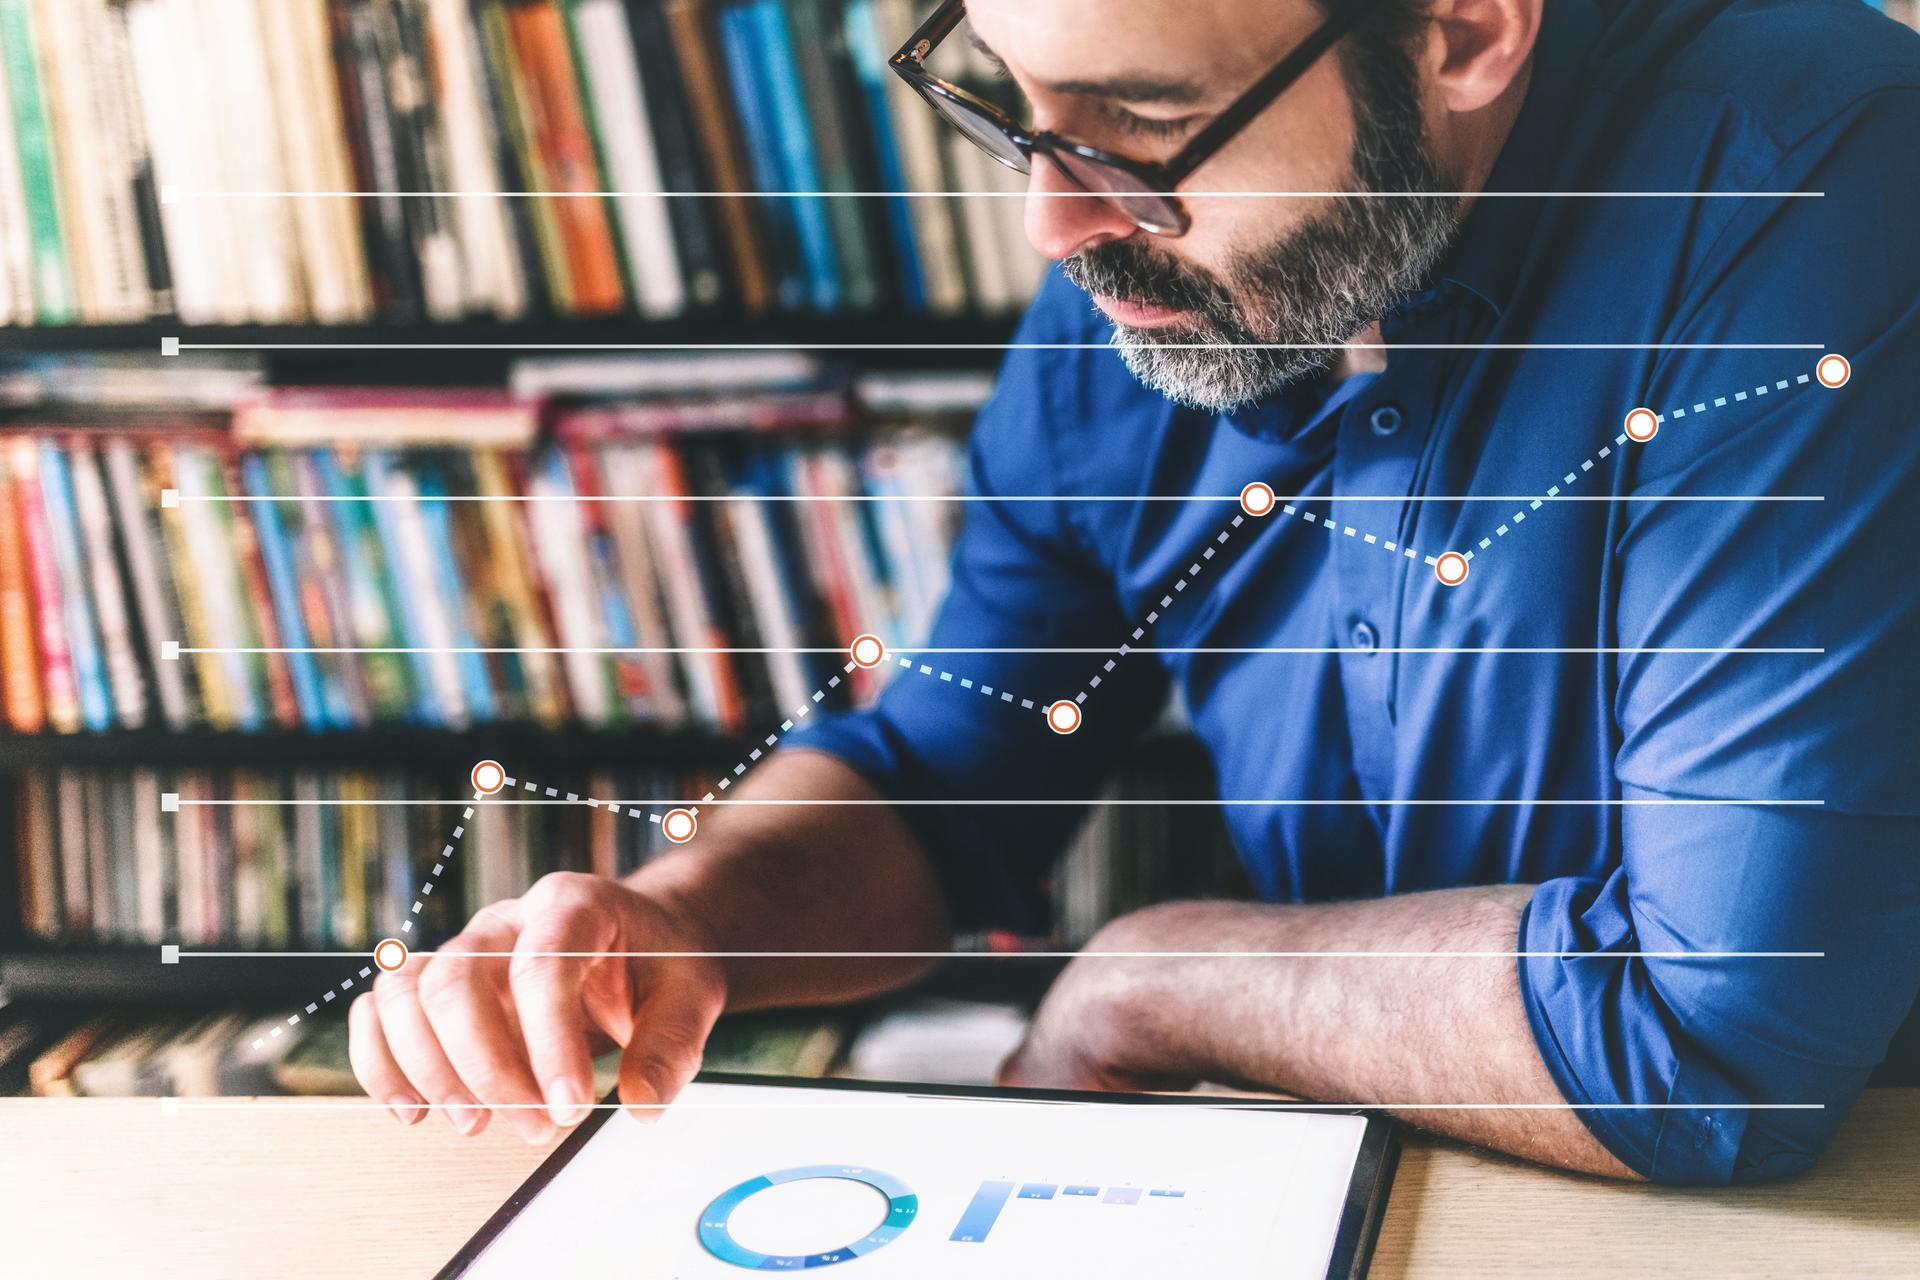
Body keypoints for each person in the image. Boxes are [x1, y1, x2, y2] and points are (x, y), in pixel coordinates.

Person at [348, 0, 1920, 1186]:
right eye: (1013, 98)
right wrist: (677, 923)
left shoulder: (1819, 188)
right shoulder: (1148, 273)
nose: (1051, 218)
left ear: (1463, 28)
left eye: (1138, 121)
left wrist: (1161, 979)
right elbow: (955, 777)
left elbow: (1725, 1038)